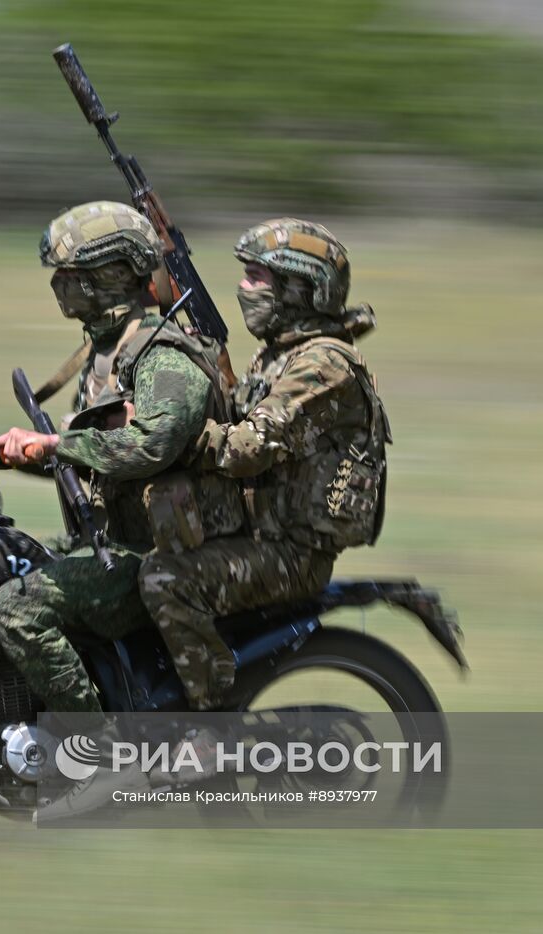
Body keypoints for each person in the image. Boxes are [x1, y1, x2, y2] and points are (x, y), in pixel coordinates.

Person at [0, 200, 246, 713]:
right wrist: (1, 453)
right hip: (116, 539)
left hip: (159, 554)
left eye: (71, 273)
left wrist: (57, 445)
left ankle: (94, 757)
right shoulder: (107, 352)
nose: (59, 284)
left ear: (113, 273)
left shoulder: (161, 354)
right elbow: (94, 453)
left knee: (17, 607)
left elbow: (151, 443)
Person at [150, 217, 389, 708]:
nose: (243, 287)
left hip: (290, 555)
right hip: (254, 535)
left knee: (165, 581)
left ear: (301, 289)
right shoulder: (277, 357)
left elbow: (244, 449)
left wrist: (171, 434)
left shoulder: (324, 365)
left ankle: (208, 726)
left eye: (257, 277)